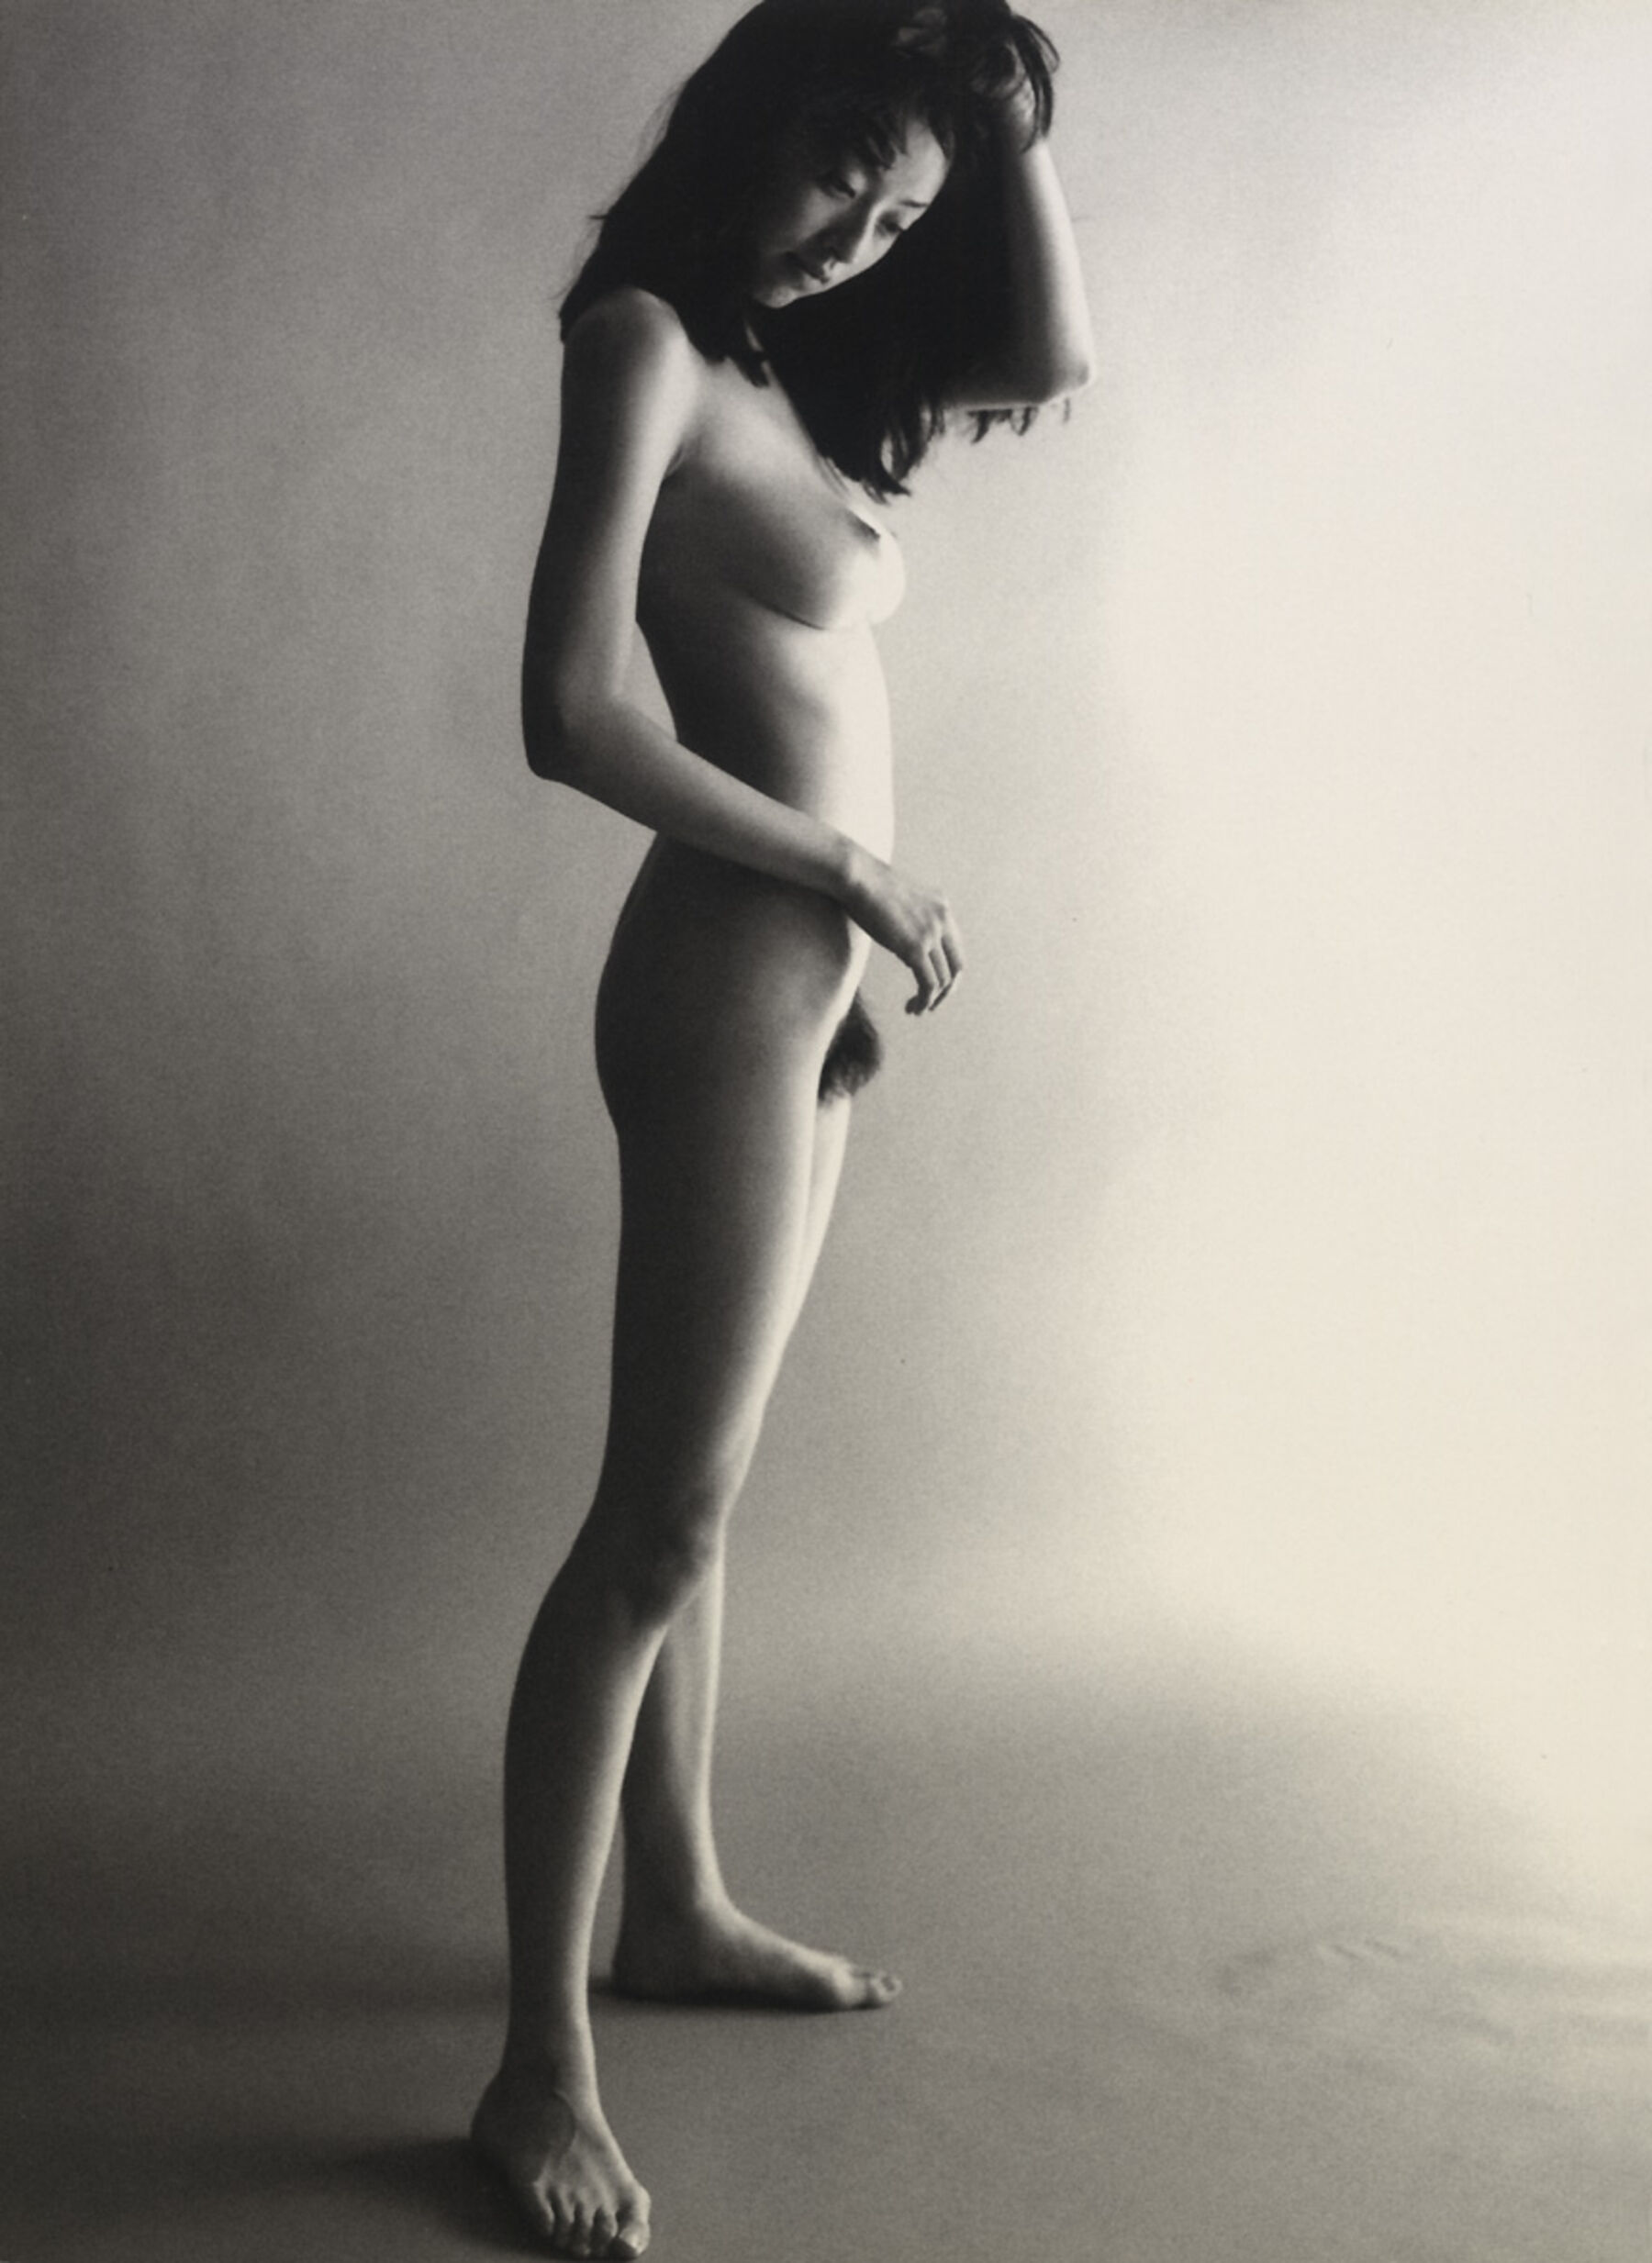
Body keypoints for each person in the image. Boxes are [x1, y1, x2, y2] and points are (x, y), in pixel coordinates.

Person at [470, 3, 1092, 2252]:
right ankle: (537, 2069)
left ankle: (679, 1904)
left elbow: (1051, 354)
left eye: (902, 212)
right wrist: (847, 872)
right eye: (844, 166)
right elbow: (565, 714)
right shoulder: (639, 340)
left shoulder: (794, 370)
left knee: (701, 1501)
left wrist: (999, 116)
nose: (860, 236)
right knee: (652, 1527)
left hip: (809, 992)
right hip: (729, 977)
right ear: (759, 114)